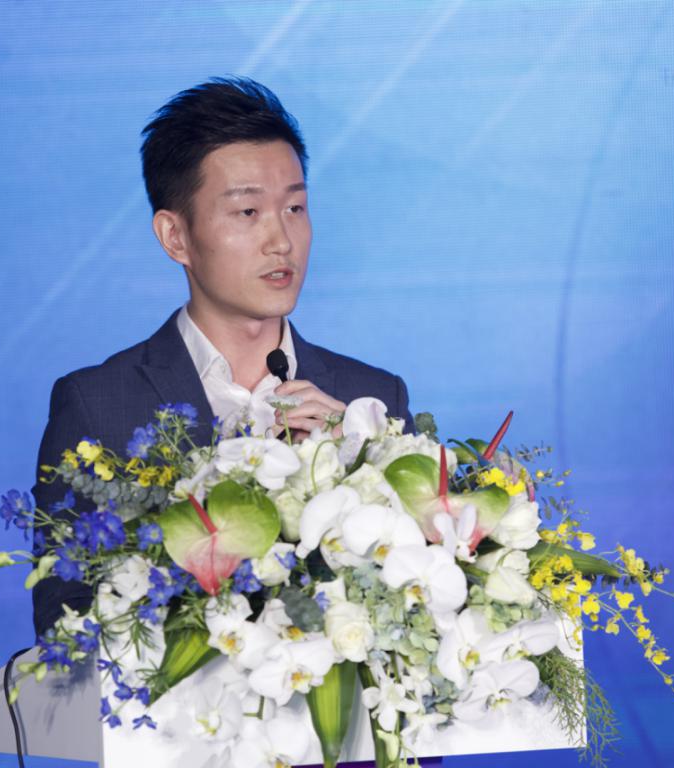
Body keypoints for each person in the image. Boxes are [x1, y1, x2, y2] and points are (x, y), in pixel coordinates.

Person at [30, 76, 413, 638]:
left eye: (295, 207)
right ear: (175, 236)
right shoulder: (99, 406)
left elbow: (419, 602)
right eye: (248, 212)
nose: (281, 240)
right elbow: (64, 623)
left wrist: (360, 462)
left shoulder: (372, 400)